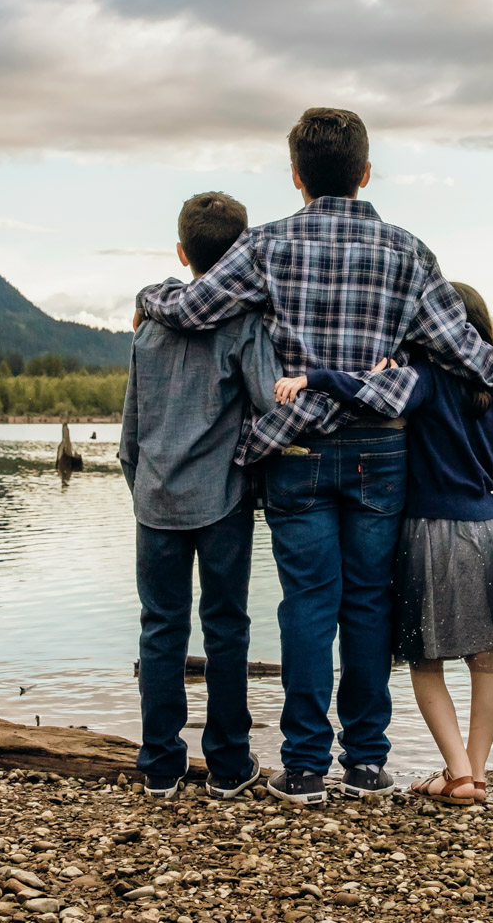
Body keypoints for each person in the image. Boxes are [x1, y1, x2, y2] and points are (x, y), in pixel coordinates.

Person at [136, 108, 493, 804]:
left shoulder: (267, 246)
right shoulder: (408, 251)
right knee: (368, 603)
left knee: (307, 604)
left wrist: (149, 293)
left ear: (296, 177)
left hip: (295, 447)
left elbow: (191, 310)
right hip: (381, 452)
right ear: (366, 173)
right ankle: (367, 762)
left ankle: (306, 765)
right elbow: (461, 346)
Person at [274, 282, 493, 805]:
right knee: (487, 663)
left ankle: (457, 774)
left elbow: (366, 395)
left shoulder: (425, 381)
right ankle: (477, 775)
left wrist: (312, 377)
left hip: (433, 533)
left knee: (425, 662)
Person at [119, 191, 279, 800]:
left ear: (181, 253)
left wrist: (143, 488)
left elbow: (131, 431)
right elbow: (268, 400)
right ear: (240, 253)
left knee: (160, 630)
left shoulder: (148, 329)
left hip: (155, 501)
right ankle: (230, 766)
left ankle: (161, 767)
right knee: (226, 627)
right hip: (223, 502)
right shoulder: (242, 325)